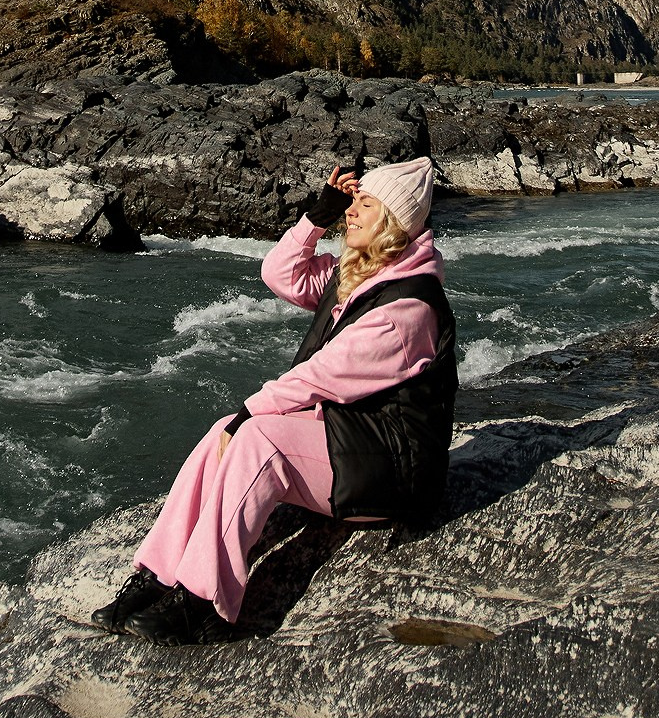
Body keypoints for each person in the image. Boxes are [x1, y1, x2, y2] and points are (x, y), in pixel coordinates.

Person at [93, 156, 457, 645]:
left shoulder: (405, 309)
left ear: (393, 223)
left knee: (254, 435)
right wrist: (317, 214)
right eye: (352, 202)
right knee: (223, 428)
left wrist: (248, 415)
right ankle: (158, 574)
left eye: (364, 205)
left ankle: (204, 603)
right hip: (352, 445)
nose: (352, 212)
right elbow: (280, 274)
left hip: (393, 471)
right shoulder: (360, 275)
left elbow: (319, 378)